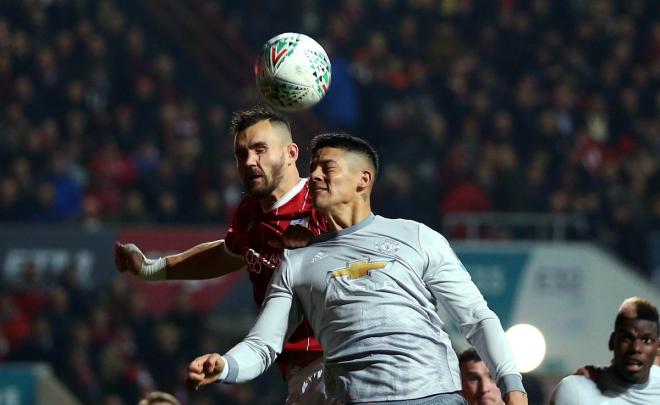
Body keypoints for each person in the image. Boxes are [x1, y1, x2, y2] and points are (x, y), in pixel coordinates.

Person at [186, 133, 527, 404]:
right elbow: (264, 345)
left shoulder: (418, 236)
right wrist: (227, 365)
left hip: (434, 396)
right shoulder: (298, 261)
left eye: (327, 168)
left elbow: (477, 318)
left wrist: (512, 385)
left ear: (363, 180)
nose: (314, 176)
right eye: (313, 167)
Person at [114, 105, 328, 404]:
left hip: (340, 364)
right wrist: (151, 269)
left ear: (291, 153)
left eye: (260, 150)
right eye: (241, 154)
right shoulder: (249, 215)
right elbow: (227, 254)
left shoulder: (326, 205)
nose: (249, 161)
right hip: (296, 375)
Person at [550, 297, 660, 404]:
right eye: (626, 338)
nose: (635, 348)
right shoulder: (576, 391)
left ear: (658, 348)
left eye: (647, 340)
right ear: (612, 342)